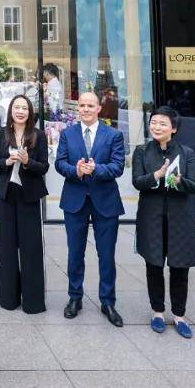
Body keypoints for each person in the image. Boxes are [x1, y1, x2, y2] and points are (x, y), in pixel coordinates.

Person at [54, 91, 126, 325]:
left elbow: (118, 167)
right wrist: (75, 171)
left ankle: (108, 301)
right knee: (75, 253)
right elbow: (59, 163)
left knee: (106, 255)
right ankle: (75, 298)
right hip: (75, 201)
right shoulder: (68, 134)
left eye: (90, 105)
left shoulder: (113, 135)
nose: (85, 109)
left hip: (106, 201)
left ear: (98, 109)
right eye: (82, 105)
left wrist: (97, 169)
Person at [132, 106, 195, 339]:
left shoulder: (186, 152)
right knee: (153, 265)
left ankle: (179, 315)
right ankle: (158, 312)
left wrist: (179, 181)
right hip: (151, 217)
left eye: (162, 124)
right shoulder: (142, 151)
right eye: (153, 122)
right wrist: (157, 175)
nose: (156, 127)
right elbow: (137, 182)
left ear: (174, 128)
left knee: (180, 267)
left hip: (180, 218)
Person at [0, 94, 47, 314]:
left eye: (24, 108)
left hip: (29, 195)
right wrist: (6, 161)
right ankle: (9, 298)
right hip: (6, 195)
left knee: (31, 248)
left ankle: (33, 302)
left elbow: (44, 167)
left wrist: (27, 161)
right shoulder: (0, 133)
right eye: (17, 107)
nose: (20, 111)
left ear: (30, 113)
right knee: (7, 248)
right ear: (10, 110)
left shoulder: (38, 135)